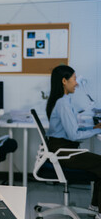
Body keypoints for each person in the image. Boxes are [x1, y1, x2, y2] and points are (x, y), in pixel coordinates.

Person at [46, 65, 101, 217]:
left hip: (62, 148)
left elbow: (72, 130)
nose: (76, 83)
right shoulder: (63, 103)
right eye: (74, 79)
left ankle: (95, 207)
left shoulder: (61, 100)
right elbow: (74, 135)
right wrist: (97, 130)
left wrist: (95, 127)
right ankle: (97, 209)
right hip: (63, 152)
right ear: (64, 81)